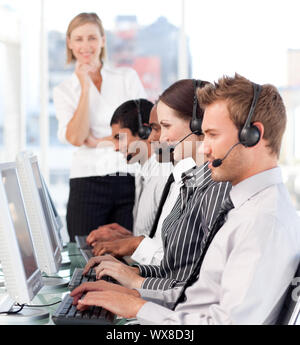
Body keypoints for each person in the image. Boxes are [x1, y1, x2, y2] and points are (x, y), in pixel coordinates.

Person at [71, 74, 300, 325]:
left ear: (252, 135)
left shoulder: (262, 222)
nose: (203, 148)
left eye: (212, 135)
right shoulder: (244, 208)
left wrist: (137, 306)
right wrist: (135, 297)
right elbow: (195, 300)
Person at [75, 79, 231, 292]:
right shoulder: (187, 180)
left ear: (196, 126)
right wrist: (130, 263)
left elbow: (187, 279)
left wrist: (134, 278)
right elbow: (173, 264)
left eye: (164, 127)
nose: (158, 138)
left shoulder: (205, 186)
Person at [53, 12, 146, 242]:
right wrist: (85, 88)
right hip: (87, 181)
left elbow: (143, 131)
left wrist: (96, 141)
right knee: (84, 251)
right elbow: (76, 137)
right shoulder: (64, 90)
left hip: (128, 177)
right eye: (79, 39)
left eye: (92, 38)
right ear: (70, 43)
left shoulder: (126, 77)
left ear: (103, 40)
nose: (86, 45)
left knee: (126, 252)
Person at [85, 100, 173, 247]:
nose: (115, 148)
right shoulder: (141, 174)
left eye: (119, 138)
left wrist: (124, 244)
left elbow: (166, 247)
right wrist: (125, 237)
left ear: (144, 132)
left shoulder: (163, 176)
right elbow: (151, 236)